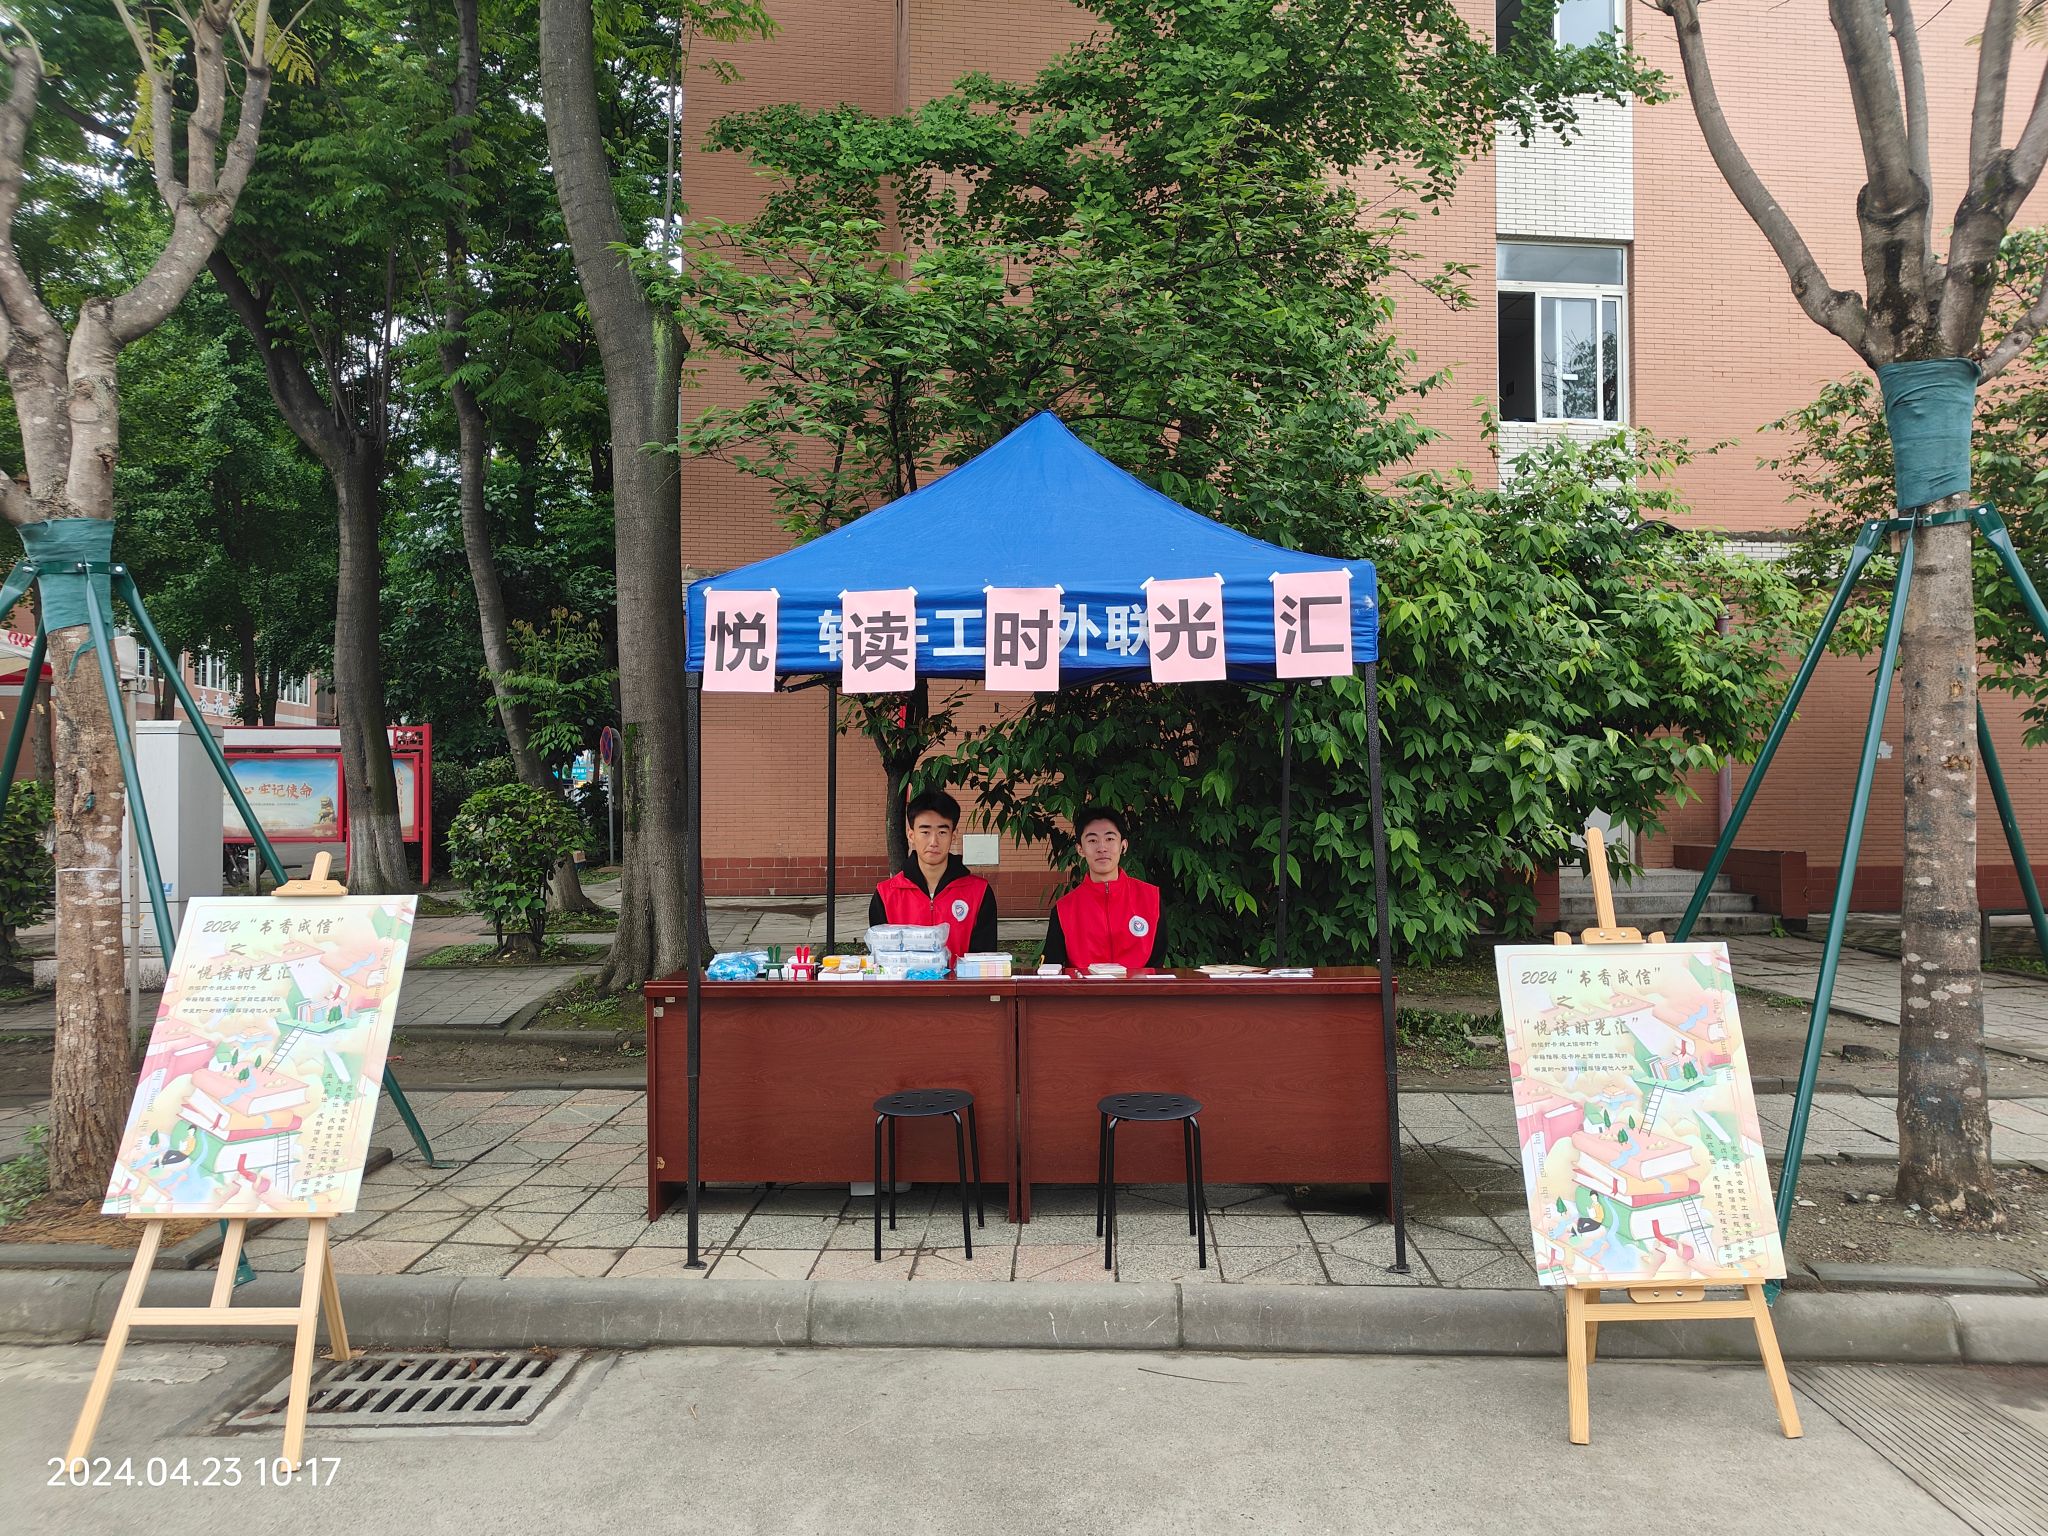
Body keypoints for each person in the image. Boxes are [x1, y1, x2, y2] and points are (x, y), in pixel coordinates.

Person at [869, 788, 997, 960]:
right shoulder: (885, 895)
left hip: (961, 979)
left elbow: (984, 961)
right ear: (911, 835)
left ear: (953, 835)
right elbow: (881, 961)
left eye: (942, 832)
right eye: (925, 832)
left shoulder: (979, 892)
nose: (933, 842)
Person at [1042, 805, 1164, 970]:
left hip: (1138, 987)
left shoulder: (1150, 899)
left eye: (1110, 839)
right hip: (1083, 987)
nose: (1102, 848)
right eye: (1092, 840)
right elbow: (1051, 969)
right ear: (1080, 849)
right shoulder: (1064, 909)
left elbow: (1157, 966)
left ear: (1123, 845)